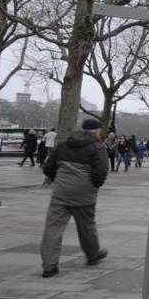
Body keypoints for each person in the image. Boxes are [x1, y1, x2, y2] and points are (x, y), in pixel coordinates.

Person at [39, 118, 109, 278]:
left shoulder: (63, 145)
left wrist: (59, 180)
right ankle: (92, 255)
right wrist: (93, 186)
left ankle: (49, 266)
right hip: (84, 193)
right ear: (96, 131)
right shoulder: (98, 148)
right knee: (87, 226)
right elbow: (101, 172)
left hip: (61, 192)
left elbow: (48, 167)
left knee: (53, 228)